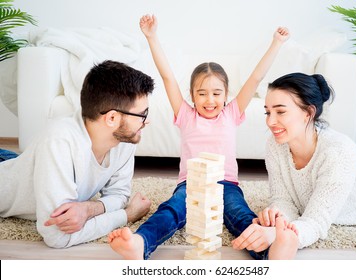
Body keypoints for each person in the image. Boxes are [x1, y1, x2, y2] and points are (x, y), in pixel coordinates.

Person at [108, 14, 298, 260]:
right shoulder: (186, 115)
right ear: (192, 96)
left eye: (217, 93)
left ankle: (270, 252)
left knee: (241, 216)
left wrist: (276, 43)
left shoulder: (231, 114)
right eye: (202, 93)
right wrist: (152, 37)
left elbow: (256, 78)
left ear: (226, 94)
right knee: (171, 211)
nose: (210, 100)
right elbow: (167, 77)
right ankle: (140, 243)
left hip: (226, 184)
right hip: (190, 185)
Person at [0, 60, 155, 248]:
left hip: (23, 165)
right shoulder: (59, 142)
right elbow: (57, 237)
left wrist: (89, 208)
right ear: (112, 118)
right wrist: (127, 215)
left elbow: (120, 195)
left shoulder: (124, 138)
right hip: (6, 185)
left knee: (22, 161)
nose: (146, 122)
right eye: (142, 115)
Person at [231, 72, 356, 252]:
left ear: (309, 112)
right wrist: (278, 219)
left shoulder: (338, 152)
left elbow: (316, 222)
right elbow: (282, 199)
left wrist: (277, 235)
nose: (270, 121)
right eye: (268, 112)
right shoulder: (275, 144)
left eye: (280, 111)